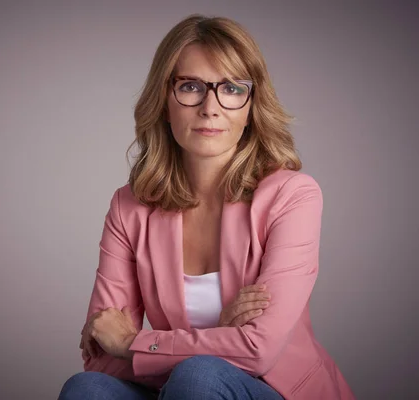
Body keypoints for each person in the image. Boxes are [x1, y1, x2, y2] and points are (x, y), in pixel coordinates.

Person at [58, 14, 355, 400]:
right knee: (87, 390)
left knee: (199, 377)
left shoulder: (293, 196)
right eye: (191, 86)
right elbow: (101, 356)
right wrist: (220, 334)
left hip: (274, 392)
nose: (210, 107)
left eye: (231, 88)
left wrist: (136, 343)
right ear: (165, 102)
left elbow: (258, 352)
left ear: (250, 106)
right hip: (176, 390)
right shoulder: (129, 207)